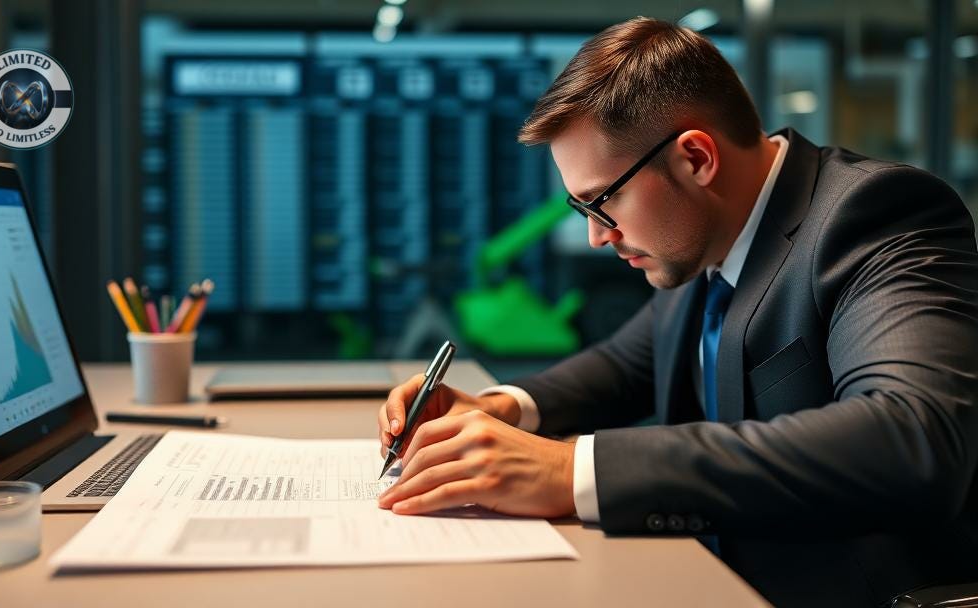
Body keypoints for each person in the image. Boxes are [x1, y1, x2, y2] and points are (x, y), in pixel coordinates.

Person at [376, 17, 978, 606]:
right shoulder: (703, 233)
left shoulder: (874, 216)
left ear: (695, 158)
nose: (596, 237)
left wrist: (573, 471)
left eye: (602, 203)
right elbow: (627, 365)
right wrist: (503, 407)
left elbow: (913, 438)